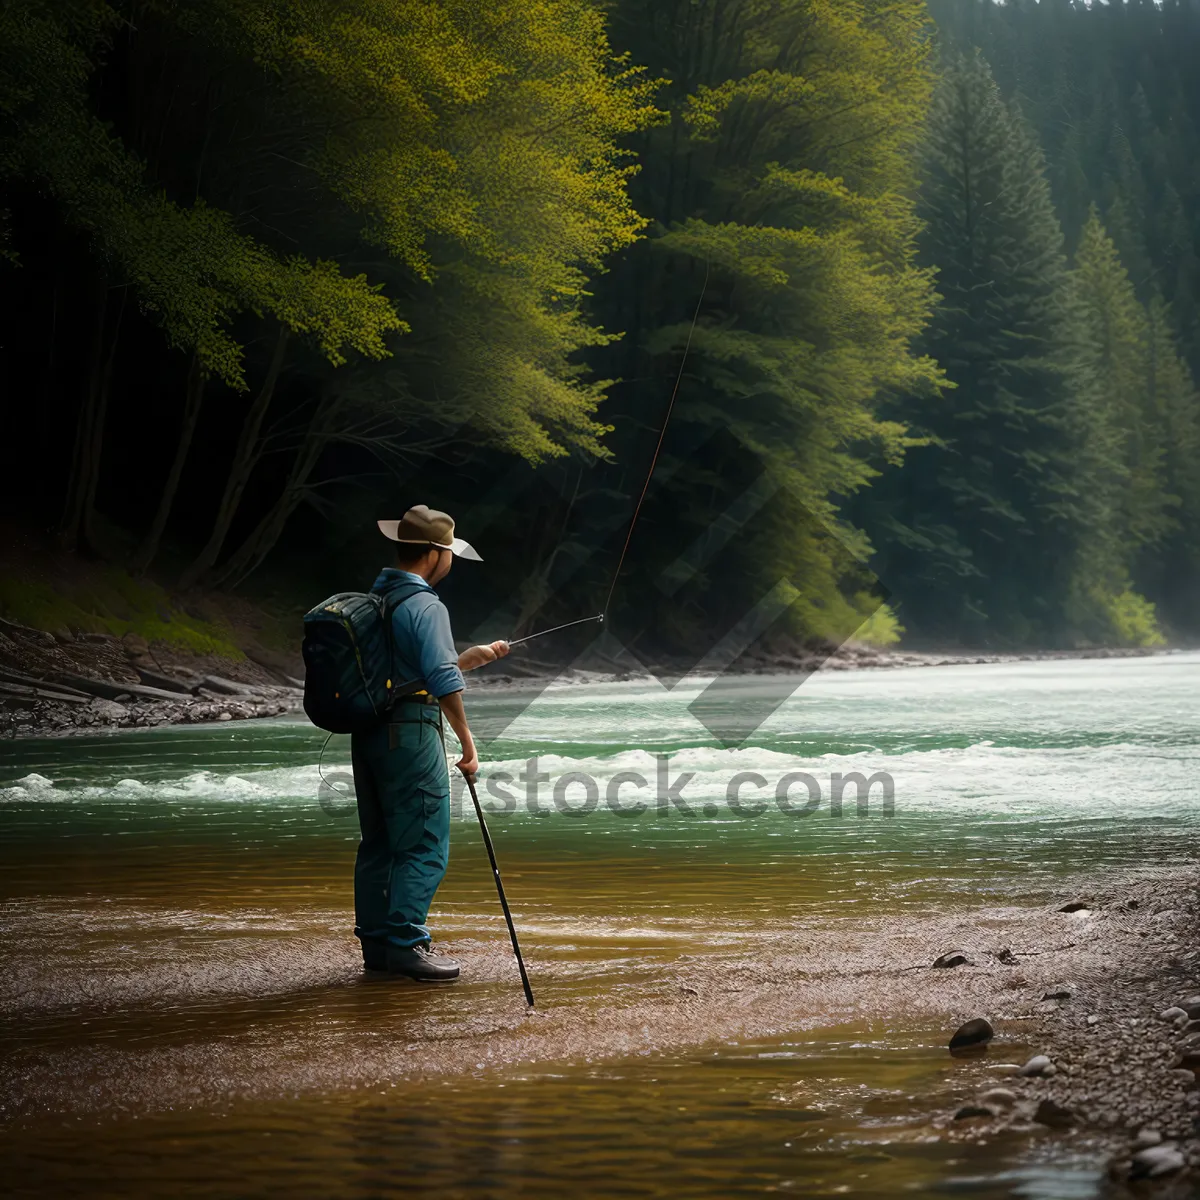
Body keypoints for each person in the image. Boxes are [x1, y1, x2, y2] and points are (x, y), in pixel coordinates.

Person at [352, 505, 508, 981]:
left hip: (369, 733)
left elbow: (407, 671)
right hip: (411, 734)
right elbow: (440, 680)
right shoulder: (426, 604)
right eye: (450, 554)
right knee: (423, 842)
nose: (452, 562)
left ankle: (378, 948)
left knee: (379, 842)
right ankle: (406, 944)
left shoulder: (371, 602)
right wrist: (467, 740)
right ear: (436, 554)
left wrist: (465, 659)